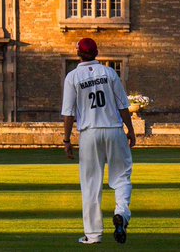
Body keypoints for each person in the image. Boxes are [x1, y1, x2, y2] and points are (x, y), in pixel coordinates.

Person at [62, 37, 135, 244]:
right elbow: (123, 106)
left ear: (78, 53)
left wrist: (67, 139)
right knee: (122, 178)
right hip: (113, 130)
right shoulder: (110, 73)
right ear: (97, 52)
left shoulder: (73, 77)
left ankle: (93, 235)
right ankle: (121, 213)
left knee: (91, 184)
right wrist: (131, 130)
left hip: (89, 133)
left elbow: (68, 113)